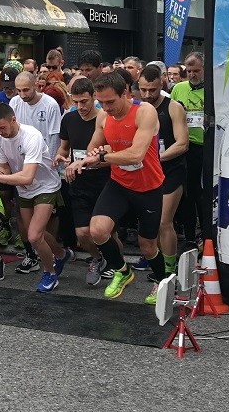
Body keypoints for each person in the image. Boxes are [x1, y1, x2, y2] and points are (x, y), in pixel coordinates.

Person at [68, 72, 165, 300]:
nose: (106, 107)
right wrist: (86, 160)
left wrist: (102, 156)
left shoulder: (144, 112)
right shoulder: (103, 116)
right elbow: (92, 149)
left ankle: (162, 281)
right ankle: (122, 271)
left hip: (148, 186)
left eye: (110, 101)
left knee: (147, 246)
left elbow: (136, 155)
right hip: (119, 183)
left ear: (125, 94)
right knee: (97, 231)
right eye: (101, 102)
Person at [0, 102, 64, 292]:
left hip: (45, 186)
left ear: (13, 120)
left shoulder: (31, 136)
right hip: (24, 189)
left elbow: (28, 176)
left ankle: (50, 273)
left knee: (34, 236)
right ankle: (61, 254)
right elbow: (4, 167)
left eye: (3, 127)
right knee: (33, 233)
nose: (0, 132)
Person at [137, 64, 189, 303]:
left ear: (162, 84)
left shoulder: (173, 107)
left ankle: (168, 273)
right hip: (146, 173)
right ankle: (160, 269)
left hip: (171, 170)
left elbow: (182, 143)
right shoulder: (137, 108)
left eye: (152, 90)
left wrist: (157, 158)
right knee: (150, 224)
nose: (147, 94)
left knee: (163, 222)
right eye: (143, 90)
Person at [55, 78, 110, 286]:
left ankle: (118, 265)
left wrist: (92, 161)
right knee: (82, 232)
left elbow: (112, 153)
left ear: (94, 97)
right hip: (78, 183)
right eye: (76, 102)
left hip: (104, 182)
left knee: (108, 232)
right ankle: (97, 258)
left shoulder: (104, 119)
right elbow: (64, 147)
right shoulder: (69, 119)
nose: (80, 107)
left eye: (84, 101)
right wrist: (59, 157)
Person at [170, 51, 209, 244]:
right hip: (187, 147)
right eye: (189, 71)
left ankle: (207, 233)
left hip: (207, 146)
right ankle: (190, 235)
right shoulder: (179, 89)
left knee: (204, 194)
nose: (192, 74)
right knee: (188, 194)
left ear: (205, 69)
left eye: (196, 71)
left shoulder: (211, 90)